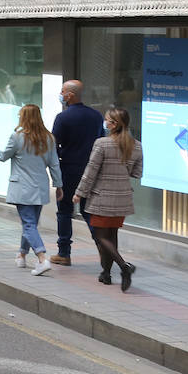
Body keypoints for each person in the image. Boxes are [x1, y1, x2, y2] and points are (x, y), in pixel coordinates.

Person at [0, 105, 63, 277]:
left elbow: (3, 156)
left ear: (24, 118)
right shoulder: (49, 138)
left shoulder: (17, 137)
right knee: (30, 223)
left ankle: (42, 258)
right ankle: (22, 255)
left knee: (28, 224)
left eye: (20, 115)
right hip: (40, 188)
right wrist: (59, 185)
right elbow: (54, 164)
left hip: (22, 189)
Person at [74, 107, 143, 291]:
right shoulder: (136, 145)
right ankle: (105, 274)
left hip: (102, 197)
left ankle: (124, 266)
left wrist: (79, 193)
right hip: (123, 198)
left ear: (113, 124)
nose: (105, 123)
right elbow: (137, 173)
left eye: (107, 120)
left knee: (100, 236)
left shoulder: (102, 144)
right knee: (111, 236)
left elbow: (90, 171)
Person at [50, 80, 103, 266]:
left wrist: (54, 173)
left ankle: (64, 253)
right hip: (91, 170)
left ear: (70, 95)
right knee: (89, 211)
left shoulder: (63, 118)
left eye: (62, 91)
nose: (61, 94)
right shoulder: (96, 116)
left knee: (64, 211)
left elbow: (53, 147)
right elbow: (101, 144)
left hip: (69, 170)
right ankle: (104, 248)